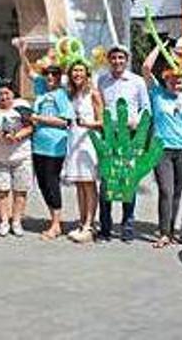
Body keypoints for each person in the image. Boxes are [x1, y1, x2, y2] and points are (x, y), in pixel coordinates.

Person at [96, 45, 150, 242]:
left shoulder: (137, 82)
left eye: (121, 58)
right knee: (106, 184)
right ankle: (105, 228)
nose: (117, 61)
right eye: (113, 58)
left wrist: (136, 121)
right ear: (108, 60)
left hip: (129, 136)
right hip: (108, 137)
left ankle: (127, 226)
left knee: (127, 183)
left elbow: (146, 108)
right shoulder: (102, 80)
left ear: (126, 60)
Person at [142, 47, 182, 249]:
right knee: (166, 190)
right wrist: (160, 45)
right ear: (165, 80)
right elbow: (146, 68)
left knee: (177, 192)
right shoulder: (157, 94)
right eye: (171, 79)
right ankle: (163, 233)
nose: (175, 82)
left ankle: (171, 231)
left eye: (179, 80)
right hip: (162, 150)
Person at [0, 80, 33, 237]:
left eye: (6, 93)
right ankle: (4, 221)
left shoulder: (21, 106)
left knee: (20, 190)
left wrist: (16, 137)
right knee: (1, 190)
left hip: (21, 156)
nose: (3, 97)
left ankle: (16, 221)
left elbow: (30, 127)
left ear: (13, 94)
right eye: (0, 94)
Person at [29, 64, 74, 240]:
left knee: (51, 181)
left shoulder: (61, 95)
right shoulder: (41, 93)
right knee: (42, 183)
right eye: (47, 74)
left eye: (54, 74)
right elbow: (30, 73)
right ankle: (54, 219)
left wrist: (39, 118)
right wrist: (22, 52)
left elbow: (65, 122)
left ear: (59, 77)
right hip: (38, 144)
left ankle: (56, 224)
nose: (50, 77)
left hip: (54, 146)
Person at [62, 59, 102, 244]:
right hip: (74, 140)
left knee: (88, 183)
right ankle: (82, 220)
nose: (77, 74)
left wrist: (87, 124)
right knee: (79, 183)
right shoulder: (71, 94)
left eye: (80, 70)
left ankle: (90, 224)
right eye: (74, 71)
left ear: (87, 73)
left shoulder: (93, 93)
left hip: (88, 141)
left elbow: (103, 121)